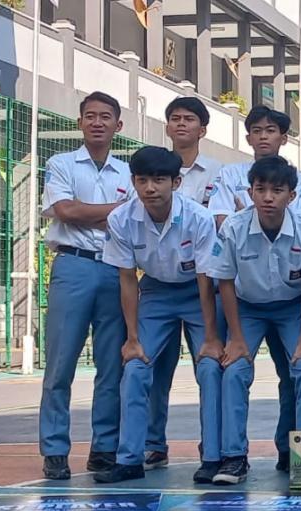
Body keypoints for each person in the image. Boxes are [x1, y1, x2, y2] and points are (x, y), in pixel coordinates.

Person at [94, 146, 224, 484]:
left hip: (198, 294)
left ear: (176, 182)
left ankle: (212, 456)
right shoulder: (121, 219)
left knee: (210, 368)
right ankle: (129, 459)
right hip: (154, 291)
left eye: (159, 180)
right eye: (143, 180)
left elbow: (206, 279)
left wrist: (211, 338)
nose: (151, 188)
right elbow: (127, 279)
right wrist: (132, 339)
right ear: (133, 182)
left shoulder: (199, 218)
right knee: (136, 368)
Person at [207, 105, 301, 472]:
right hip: (247, 308)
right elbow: (223, 282)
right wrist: (235, 338)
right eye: (261, 189)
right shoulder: (233, 228)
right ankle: (234, 457)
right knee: (234, 369)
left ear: (292, 196)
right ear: (250, 191)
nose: (269, 197)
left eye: (277, 190)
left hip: (294, 307)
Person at [38, 92, 133, 480]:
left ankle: (104, 448)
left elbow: (132, 217)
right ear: (80, 122)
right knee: (60, 364)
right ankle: (55, 449)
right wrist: (110, 213)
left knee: (111, 366)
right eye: (90, 116)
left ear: (117, 125)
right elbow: (65, 211)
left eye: (105, 117)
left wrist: (86, 213)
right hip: (72, 267)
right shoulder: (60, 163)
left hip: (115, 270)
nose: (97, 122)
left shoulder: (128, 173)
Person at [144, 96, 224, 472]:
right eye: (173, 118)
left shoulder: (219, 173)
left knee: (208, 365)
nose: (180, 125)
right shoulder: (151, 169)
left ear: (202, 129)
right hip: (158, 282)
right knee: (152, 367)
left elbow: (224, 221)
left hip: (202, 282)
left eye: (188, 119)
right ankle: (151, 444)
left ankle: (214, 449)